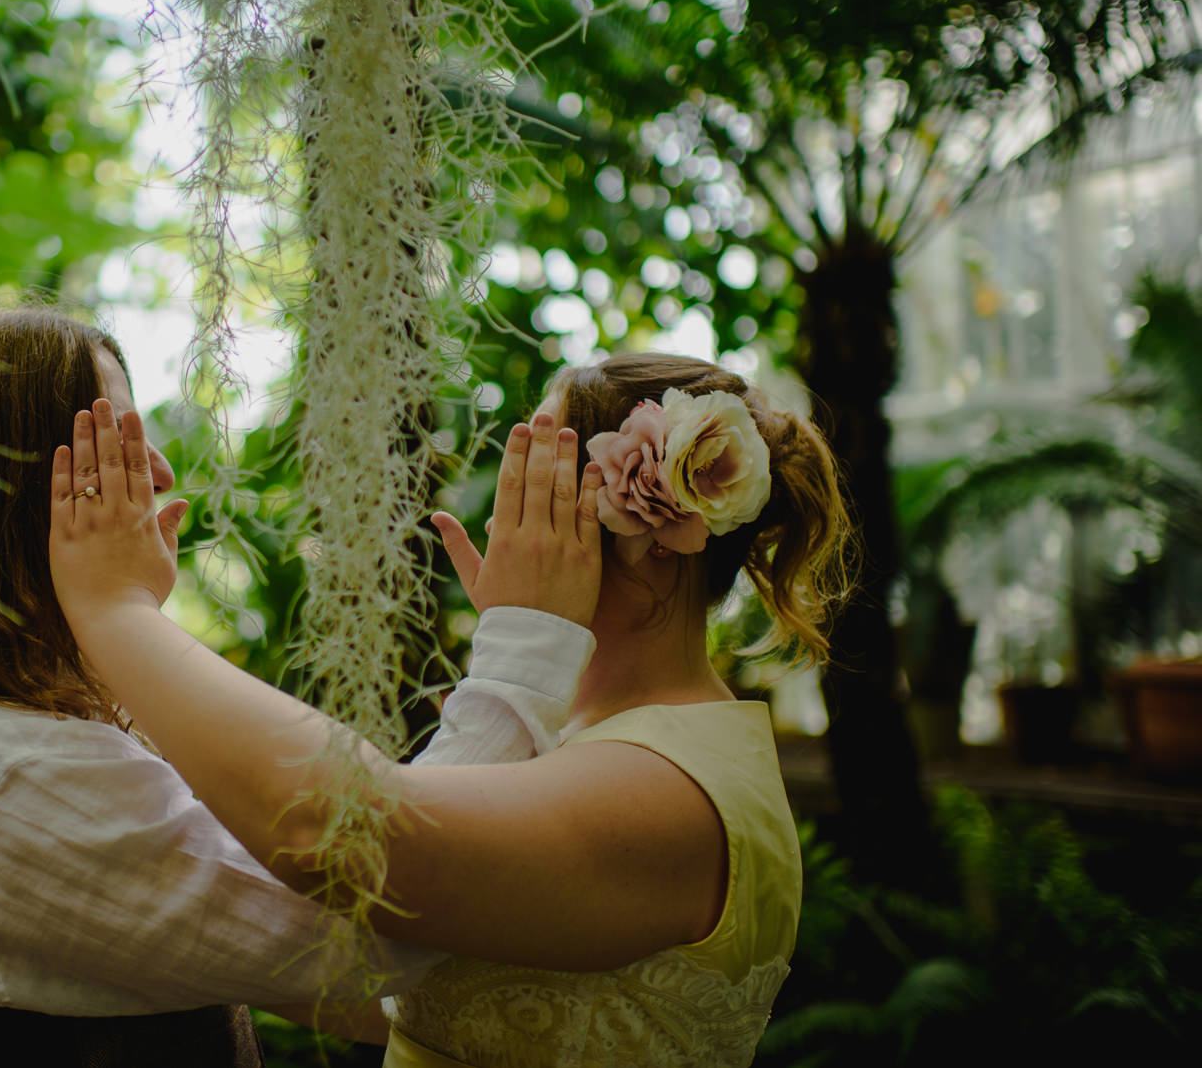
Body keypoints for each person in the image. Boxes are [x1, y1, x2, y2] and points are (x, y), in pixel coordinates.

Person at [0, 304, 607, 1068]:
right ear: (14, 486)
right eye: (115, 436)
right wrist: (528, 646)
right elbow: (380, 919)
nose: (160, 467)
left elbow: (361, 993)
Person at [46, 354, 851, 1068]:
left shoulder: (672, 786)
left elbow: (343, 835)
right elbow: (391, 982)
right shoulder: (595, 741)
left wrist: (117, 610)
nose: (497, 520)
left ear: (634, 522)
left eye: (530, 481)